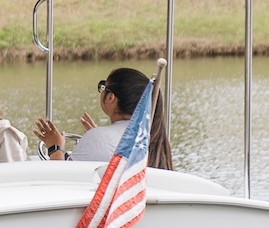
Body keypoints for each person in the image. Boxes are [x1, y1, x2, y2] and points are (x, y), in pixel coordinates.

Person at [34, 66, 172, 168]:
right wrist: (98, 137)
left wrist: (55, 148)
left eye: (103, 87)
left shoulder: (99, 138)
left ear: (111, 97)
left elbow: (63, 180)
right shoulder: (153, 140)